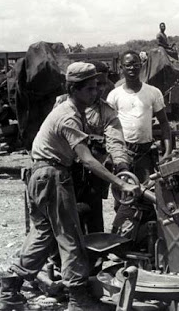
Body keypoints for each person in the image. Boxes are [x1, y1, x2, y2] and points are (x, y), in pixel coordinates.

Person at [0, 62, 141, 311]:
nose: (96, 92)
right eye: (89, 89)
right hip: (53, 175)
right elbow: (86, 158)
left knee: (43, 234)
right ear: (73, 89)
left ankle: (10, 289)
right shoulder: (68, 116)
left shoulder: (77, 110)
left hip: (40, 175)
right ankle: (78, 299)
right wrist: (119, 183)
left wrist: (120, 164)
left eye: (97, 87)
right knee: (70, 236)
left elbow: (113, 136)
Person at [55, 61, 131, 233]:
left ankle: (95, 257)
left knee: (94, 217)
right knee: (66, 220)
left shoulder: (106, 110)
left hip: (93, 173)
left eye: (104, 83)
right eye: (96, 85)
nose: (101, 89)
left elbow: (115, 139)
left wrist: (121, 165)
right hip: (65, 171)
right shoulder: (63, 105)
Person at [106, 50, 172, 235]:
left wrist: (167, 153)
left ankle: (145, 239)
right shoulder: (114, 95)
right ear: (121, 68)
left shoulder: (153, 93)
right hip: (122, 153)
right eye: (128, 65)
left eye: (136, 64)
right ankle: (120, 238)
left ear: (141, 66)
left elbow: (165, 125)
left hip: (145, 154)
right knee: (122, 197)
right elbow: (108, 129)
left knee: (149, 196)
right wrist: (114, 154)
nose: (132, 68)